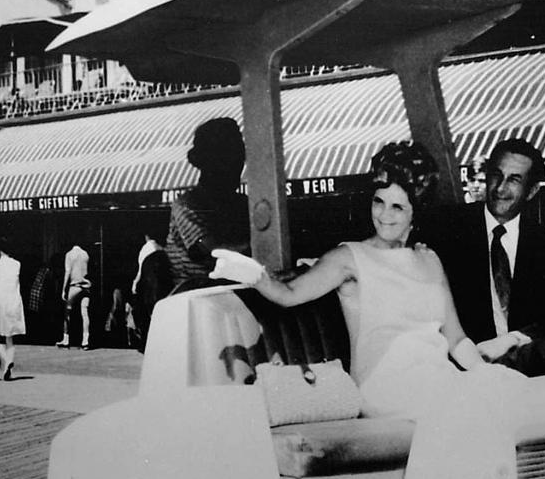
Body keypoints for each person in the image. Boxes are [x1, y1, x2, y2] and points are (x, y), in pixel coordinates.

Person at [210, 143, 518, 419]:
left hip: (436, 379)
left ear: (416, 212)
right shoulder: (350, 257)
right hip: (384, 388)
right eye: (378, 202)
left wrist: (484, 372)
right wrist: (253, 274)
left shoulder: (430, 259)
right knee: (471, 410)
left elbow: (457, 340)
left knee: (507, 393)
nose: (384, 215)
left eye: (397, 207)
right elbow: (288, 294)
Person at [424, 138, 545, 376]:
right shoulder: (450, 229)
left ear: (532, 191)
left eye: (514, 179)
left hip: (526, 362)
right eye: (496, 175)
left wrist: (512, 339)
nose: (500, 188)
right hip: (468, 364)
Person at [166, 117, 249, 286]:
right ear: (209, 163)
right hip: (197, 296)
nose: (236, 167)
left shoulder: (242, 204)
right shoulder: (187, 205)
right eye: (227, 160)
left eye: (239, 159)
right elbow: (212, 251)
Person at [0, 236, 25, 380]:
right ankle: (7, 369)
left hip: (0, 304)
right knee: (10, 337)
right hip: (14, 303)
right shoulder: (17, 264)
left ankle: (6, 360)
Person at [57, 242, 92, 349]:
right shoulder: (85, 254)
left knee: (67, 312)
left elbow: (67, 272)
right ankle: (85, 340)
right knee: (84, 313)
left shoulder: (69, 254)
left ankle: (66, 339)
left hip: (74, 286)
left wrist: (63, 289)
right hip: (86, 287)